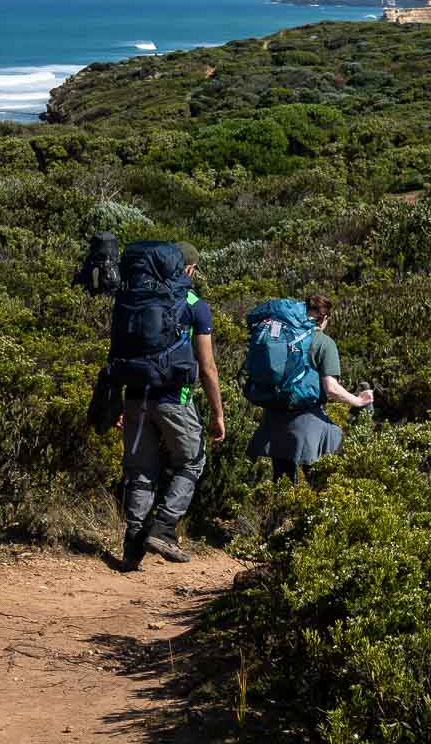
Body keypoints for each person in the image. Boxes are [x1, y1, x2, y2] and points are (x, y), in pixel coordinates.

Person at [116, 241, 225, 570]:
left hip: (135, 395)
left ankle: (132, 549)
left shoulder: (134, 297)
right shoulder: (194, 304)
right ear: (188, 268)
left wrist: (115, 400)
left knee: (140, 472)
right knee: (190, 462)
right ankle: (163, 528)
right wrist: (217, 413)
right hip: (174, 398)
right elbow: (207, 367)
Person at [249, 293, 373, 482]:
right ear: (324, 318)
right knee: (320, 477)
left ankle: (281, 511)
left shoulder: (283, 335)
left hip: (274, 417)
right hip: (307, 420)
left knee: (282, 481)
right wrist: (358, 401)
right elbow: (331, 388)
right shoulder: (324, 342)